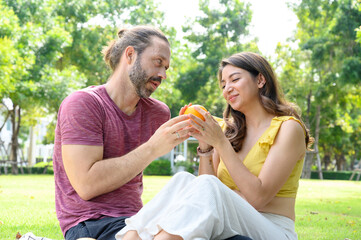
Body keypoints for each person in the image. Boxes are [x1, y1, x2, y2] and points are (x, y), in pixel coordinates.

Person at [116, 52, 313, 240]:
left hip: (272, 228)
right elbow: (207, 191)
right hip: (231, 221)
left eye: (235, 79)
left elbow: (257, 198)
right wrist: (205, 146)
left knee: (208, 186)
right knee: (184, 179)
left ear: (260, 80)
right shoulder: (230, 131)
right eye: (223, 84)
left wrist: (220, 142)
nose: (227, 88)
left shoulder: (288, 128)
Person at [53, 26, 194, 240]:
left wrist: (207, 145)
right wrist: (153, 147)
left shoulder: (158, 112)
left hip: (137, 220)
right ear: (130, 55)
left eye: (166, 67)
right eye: (158, 62)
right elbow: (86, 185)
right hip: (91, 223)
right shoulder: (83, 103)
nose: (163, 75)